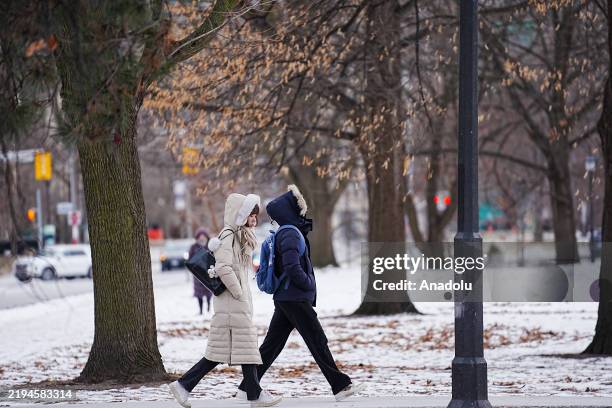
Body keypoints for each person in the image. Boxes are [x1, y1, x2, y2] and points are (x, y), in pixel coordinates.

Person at [236, 185, 363, 402]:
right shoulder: (290, 234)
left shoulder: (287, 232)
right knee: (317, 340)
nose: (301, 213)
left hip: (287, 298)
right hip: (294, 298)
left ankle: (247, 388)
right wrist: (307, 284)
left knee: (272, 346)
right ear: (289, 211)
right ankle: (341, 386)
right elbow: (292, 267)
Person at [169, 193, 282, 408]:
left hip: (234, 304)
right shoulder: (228, 235)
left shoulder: (238, 235)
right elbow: (222, 267)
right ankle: (254, 394)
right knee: (245, 348)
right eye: (251, 215)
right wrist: (238, 292)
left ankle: (183, 385)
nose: (255, 219)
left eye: (256, 216)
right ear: (241, 215)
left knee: (225, 352)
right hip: (232, 302)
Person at [189, 228, 212, 315]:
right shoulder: (193, 247)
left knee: (208, 292)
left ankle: (209, 307)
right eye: (200, 236)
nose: (202, 238)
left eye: (203, 236)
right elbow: (189, 259)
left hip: (208, 273)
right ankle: (201, 310)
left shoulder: (209, 246)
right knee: (199, 294)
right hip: (197, 274)